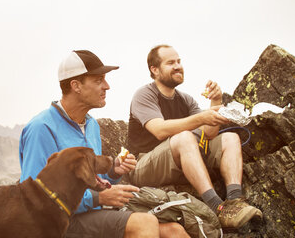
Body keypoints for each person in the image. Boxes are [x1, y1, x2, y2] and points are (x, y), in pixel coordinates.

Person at [19, 49, 190, 238]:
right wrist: (97, 198)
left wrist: (113, 171)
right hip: (58, 222)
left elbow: (93, 181)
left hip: (88, 213)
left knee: (174, 231)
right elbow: (35, 196)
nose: (107, 86)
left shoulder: (91, 125)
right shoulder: (41, 128)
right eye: (98, 80)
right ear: (76, 85)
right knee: (144, 223)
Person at [127, 44, 263, 229]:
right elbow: (159, 129)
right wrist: (200, 117)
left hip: (178, 160)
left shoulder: (185, 99)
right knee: (184, 137)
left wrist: (215, 101)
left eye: (179, 61)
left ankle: (235, 201)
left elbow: (208, 133)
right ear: (155, 70)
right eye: (170, 63)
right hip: (143, 165)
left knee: (230, 138)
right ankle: (217, 207)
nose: (177, 66)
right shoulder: (145, 95)